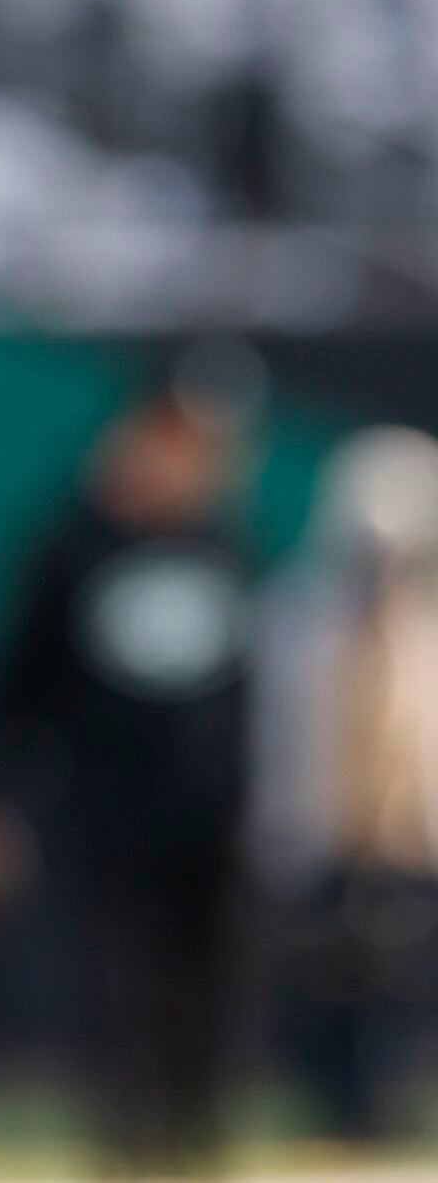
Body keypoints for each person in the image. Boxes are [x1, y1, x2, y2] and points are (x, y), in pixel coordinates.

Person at [0, 349, 261, 1178]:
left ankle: (196, 1146)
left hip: (211, 822)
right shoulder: (71, 541)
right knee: (116, 993)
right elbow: (8, 682)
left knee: (207, 995)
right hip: (102, 816)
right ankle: (129, 1148)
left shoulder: (229, 544)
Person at [253, 426, 438, 1146]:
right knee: (322, 981)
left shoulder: (426, 620)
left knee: (402, 984)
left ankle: (386, 1102)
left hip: (410, 840)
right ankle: (333, 1109)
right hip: (322, 834)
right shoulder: (297, 612)